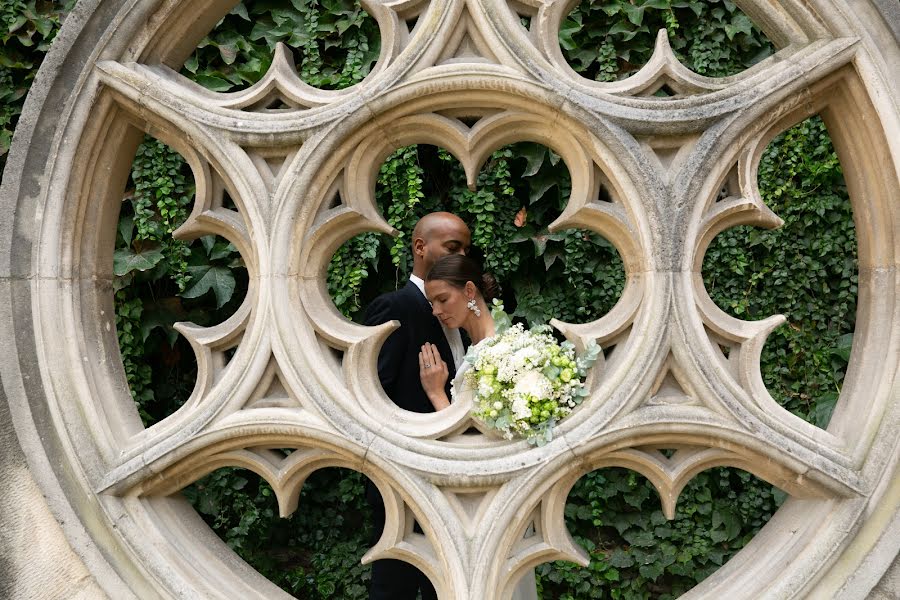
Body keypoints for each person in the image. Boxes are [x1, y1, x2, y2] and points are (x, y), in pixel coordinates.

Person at [417, 254, 539, 600]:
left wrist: (437, 394)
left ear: (469, 290)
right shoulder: (481, 347)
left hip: (491, 502)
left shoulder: (498, 353)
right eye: (431, 303)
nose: (436, 311)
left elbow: (479, 439)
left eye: (443, 299)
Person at [363, 212, 471, 600]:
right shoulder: (395, 307)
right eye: (453, 247)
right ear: (421, 247)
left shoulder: (461, 313)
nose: (462, 255)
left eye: (466, 249)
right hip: (405, 480)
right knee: (396, 583)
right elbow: (370, 395)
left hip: (456, 478)